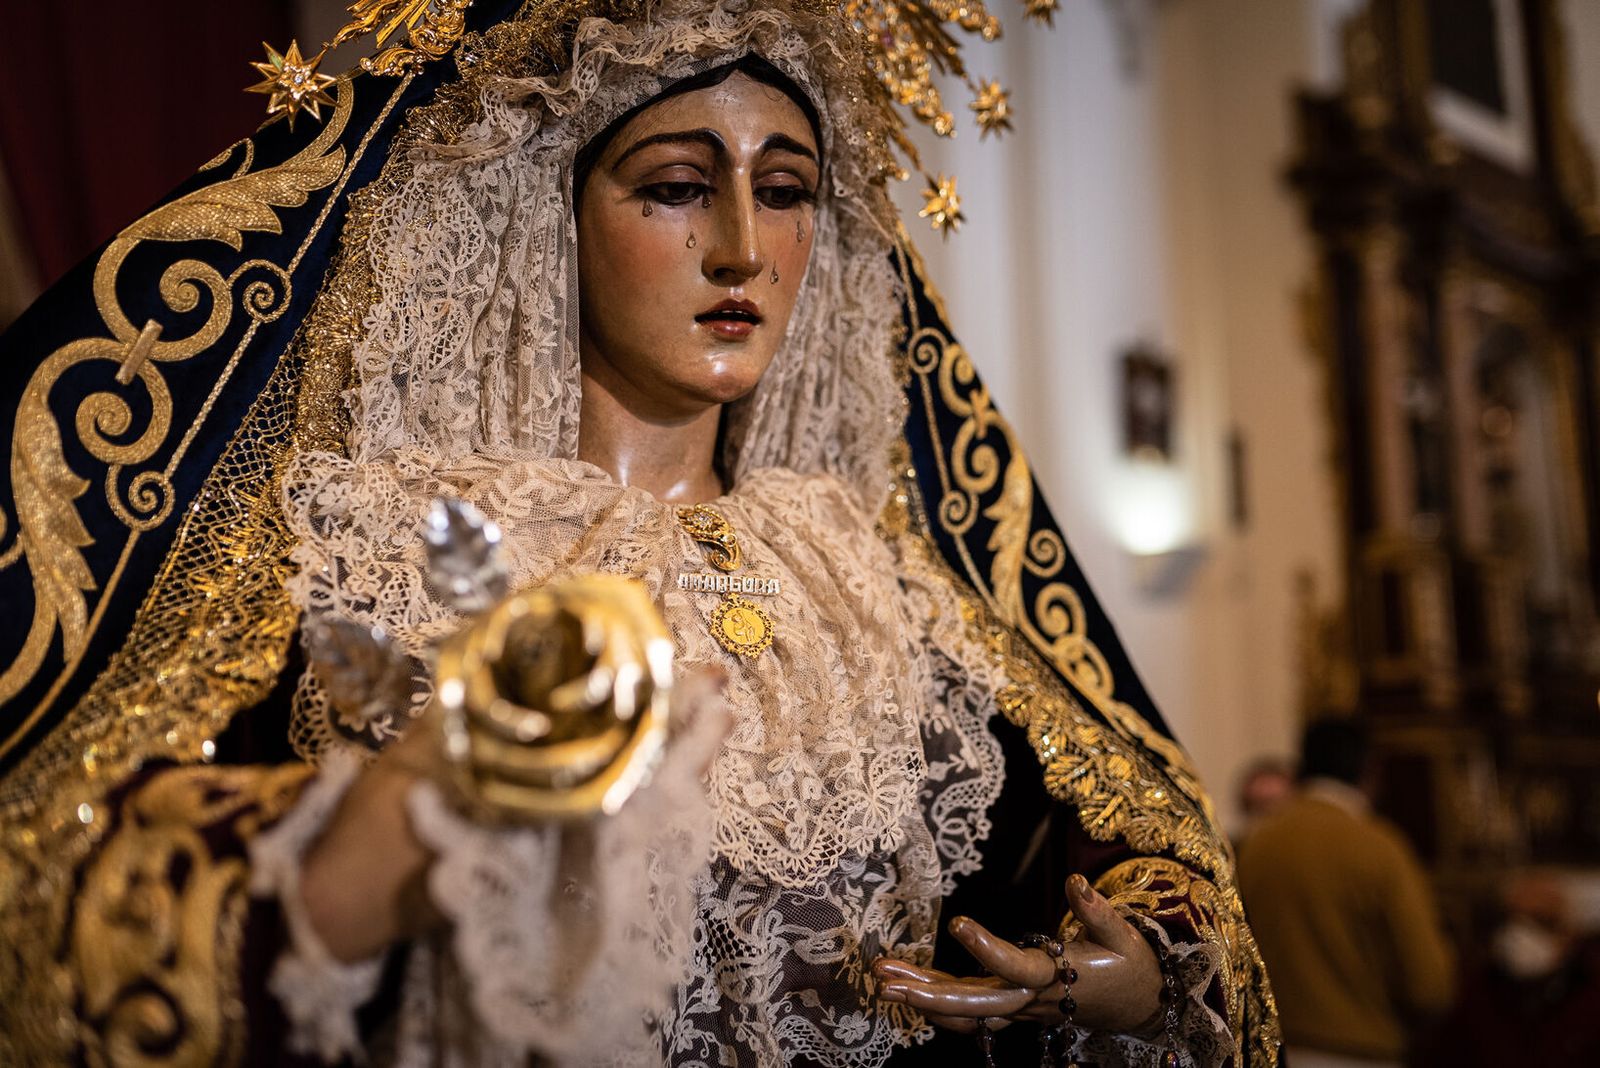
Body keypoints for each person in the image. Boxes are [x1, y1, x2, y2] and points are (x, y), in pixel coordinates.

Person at [0, 1, 1278, 1064]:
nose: (740, 248)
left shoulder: (880, 581)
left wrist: (1143, 972)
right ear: (549, 217)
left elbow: (1115, 842)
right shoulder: (387, 552)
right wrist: (378, 843)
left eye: (785, 193)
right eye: (674, 186)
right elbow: (76, 847)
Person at [1236, 719, 1452, 1068]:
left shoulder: (1256, 845)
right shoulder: (1380, 847)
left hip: (1275, 1049)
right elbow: (1428, 984)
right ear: (1370, 769)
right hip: (1361, 1051)